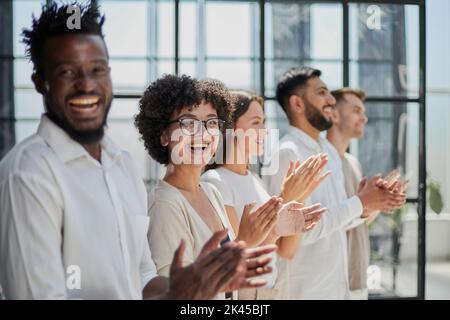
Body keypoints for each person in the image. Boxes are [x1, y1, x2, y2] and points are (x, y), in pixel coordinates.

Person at [0, 2, 273, 300]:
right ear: (40, 83)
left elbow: (142, 276)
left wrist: (183, 290)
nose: (86, 84)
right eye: (67, 71)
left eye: (97, 69)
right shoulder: (28, 173)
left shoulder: (122, 165)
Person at [135, 75, 284, 300]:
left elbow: (230, 286)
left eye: (211, 122)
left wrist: (269, 232)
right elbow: (179, 295)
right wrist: (243, 242)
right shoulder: (165, 204)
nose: (202, 133)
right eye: (188, 122)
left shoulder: (209, 192)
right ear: (164, 134)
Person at [264, 67, 407, 299]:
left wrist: (369, 205)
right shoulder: (287, 154)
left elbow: (336, 223)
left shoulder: (329, 151)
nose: (331, 100)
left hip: (336, 291)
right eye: (321, 93)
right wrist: (359, 203)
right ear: (297, 104)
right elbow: (294, 234)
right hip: (302, 293)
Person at [202, 90, 328, 299]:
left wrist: (297, 198)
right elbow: (241, 256)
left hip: (268, 290)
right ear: (231, 128)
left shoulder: (256, 181)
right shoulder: (215, 181)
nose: (265, 131)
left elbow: (283, 251)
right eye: (256, 123)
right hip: (243, 293)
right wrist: (285, 197)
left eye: (263, 122)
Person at [327, 87, 408, 299]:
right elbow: (324, 223)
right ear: (333, 114)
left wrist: (379, 202)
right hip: (331, 280)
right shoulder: (320, 161)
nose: (364, 118)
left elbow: (360, 220)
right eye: (356, 110)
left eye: (363, 112)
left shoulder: (353, 163)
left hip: (357, 276)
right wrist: (366, 204)